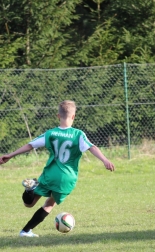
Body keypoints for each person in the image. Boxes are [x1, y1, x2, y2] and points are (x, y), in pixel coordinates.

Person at [0, 100, 115, 237]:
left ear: (58, 116)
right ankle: (25, 231)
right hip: (66, 177)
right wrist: (105, 160)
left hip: (50, 173)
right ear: (73, 116)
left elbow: (30, 145)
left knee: (29, 204)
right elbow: (92, 147)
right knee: (49, 204)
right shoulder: (78, 134)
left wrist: (10, 155)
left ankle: (28, 191)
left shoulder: (51, 133)